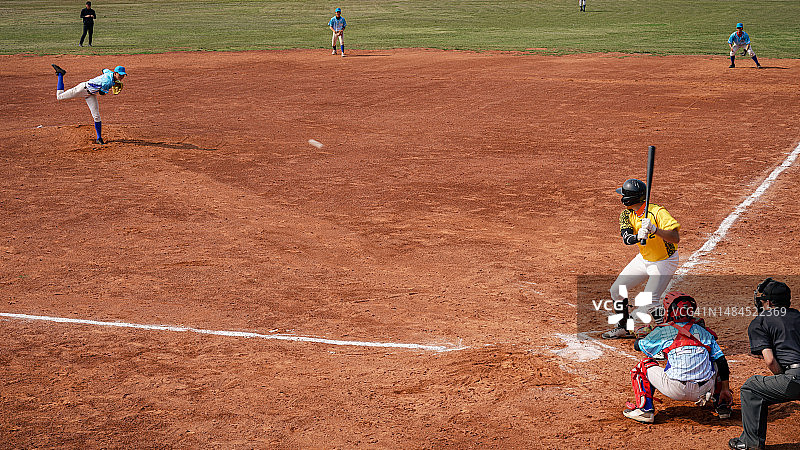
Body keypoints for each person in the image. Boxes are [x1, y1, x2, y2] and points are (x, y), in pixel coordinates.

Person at [623, 292, 733, 423]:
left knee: (642, 366)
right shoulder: (704, 331)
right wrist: (726, 389)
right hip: (704, 390)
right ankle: (722, 405)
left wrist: (643, 334)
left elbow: (638, 346)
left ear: (669, 311)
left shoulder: (664, 330)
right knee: (716, 360)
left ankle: (645, 411)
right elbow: (722, 362)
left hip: (675, 389)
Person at [602, 179, 681, 339]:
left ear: (629, 199)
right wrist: (638, 236)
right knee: (616, 290)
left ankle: (668, 335)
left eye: (623, 194)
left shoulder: (657, 212)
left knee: (650, 301)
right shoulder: (626, 214)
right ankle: (624, 326)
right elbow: (626, 238)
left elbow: (675, 238)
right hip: (644, 259)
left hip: (664, 260)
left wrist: (655, 229)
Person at [729, 279, 800, 450]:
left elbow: (769, 360)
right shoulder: (798, 315)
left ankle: (750, 442)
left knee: (751, 388)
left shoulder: (760, 322)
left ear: (767, 302)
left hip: (795, 379)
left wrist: (784, 379)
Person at [51, 63, 126, 145]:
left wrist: (112, 82)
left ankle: (99, 138)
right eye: (120, 75)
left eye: (123, 75)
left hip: (91, 94)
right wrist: (112, 86)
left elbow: (104, 70)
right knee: (60, 96)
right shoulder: (107, 82)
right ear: (115, 73)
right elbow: (101, 93)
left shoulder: (109, 73)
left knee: (96, 116)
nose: (121, 77)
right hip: (82, 89)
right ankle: (60, 74)